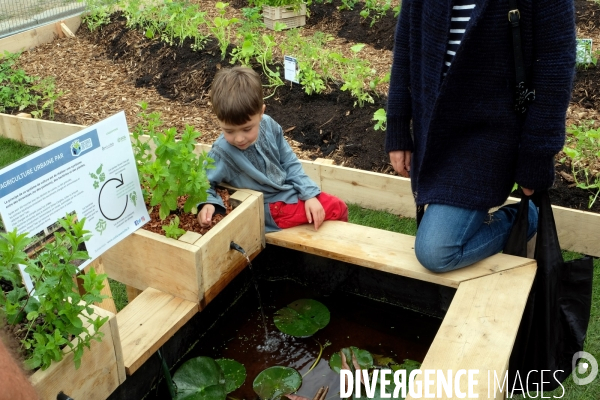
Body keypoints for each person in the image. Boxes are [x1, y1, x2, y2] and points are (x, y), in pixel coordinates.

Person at [385, 0, 575, 272]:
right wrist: (398, 126)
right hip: (434, 127)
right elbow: (406, 45)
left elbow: (555, 65)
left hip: (491, 135)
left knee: (437, 251)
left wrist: (537, 153)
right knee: (441, 221)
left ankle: (526, 217)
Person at [197, 66, 348, 232]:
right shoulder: (222, 152)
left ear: (261, 112)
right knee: (336, 208)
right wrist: (209, 203)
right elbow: (203, 183)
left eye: (247, 129)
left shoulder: (269, 125)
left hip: (286, 193)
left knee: (331, 205)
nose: (239, 138)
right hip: (268, 208)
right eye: (229, 131)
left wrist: (309, 194)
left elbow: (289, 162)